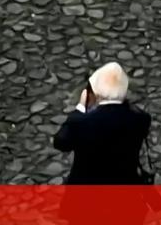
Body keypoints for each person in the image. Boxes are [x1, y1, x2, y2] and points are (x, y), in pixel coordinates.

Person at [53, 62, 152, 224]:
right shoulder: (141, 119)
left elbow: (61, 142)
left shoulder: (82, 122)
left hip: (86, 200)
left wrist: (80, 109)